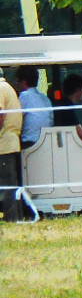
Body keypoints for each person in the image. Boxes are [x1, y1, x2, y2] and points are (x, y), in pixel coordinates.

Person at [12, 65, 52, 151]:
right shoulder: (45, 98)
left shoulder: (24, 96)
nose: (15, 84)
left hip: (29, 143)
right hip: (46, 141)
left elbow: (15, 120)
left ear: (23, 82)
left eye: (17, 81)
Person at [0, 74, 20, 221]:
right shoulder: (7, 87)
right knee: (10, 184)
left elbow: (0, 115)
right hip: (10, 143)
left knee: (6, 185)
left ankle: (11, 219)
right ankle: (13, 218)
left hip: (3, 145)